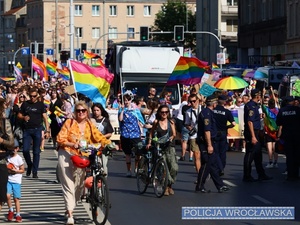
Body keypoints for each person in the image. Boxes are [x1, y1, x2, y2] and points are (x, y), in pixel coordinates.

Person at [56, 101, 111, 225]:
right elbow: (60, 139)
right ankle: (70, 214)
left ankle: (70, 206)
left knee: (79, 187)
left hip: (81, 156)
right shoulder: (69, 123)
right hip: (66, 154)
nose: (81, 113)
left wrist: (109, 144)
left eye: (83, 111)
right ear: (75, 112)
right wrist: (72, 144)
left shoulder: (89, 124)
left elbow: (99, 137)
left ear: (87, 112)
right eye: (78, 111)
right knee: (68, 185)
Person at [195, 95, 229, 193]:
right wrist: (209, 145)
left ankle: (220, 186)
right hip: (206, 142)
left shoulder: (208, 112)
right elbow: (207, 131)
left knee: (212, 165)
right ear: (214, 104)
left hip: (210, 141)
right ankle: (200, 186)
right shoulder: (207, 114)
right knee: (206, 164)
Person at [17, 88, 50, 178]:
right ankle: (29, 164)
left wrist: (47, 130)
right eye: (31, 96)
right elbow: (19, 114)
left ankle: (35, 171)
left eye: (34, 96)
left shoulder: (40, 105)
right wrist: (23, 117)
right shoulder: (25, 104)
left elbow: (45, 118)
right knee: (25, 150)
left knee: (36, 152)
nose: (32, 98)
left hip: (37, 129)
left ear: (37, 96)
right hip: (27, 130)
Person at [147, 105, 178, 196]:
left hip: (169, 146)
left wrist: (172, 137)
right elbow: (151, 133)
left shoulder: (171, 122)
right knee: (163, 169)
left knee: (174, 167)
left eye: (166, 112)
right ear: (159, 113)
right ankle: (165, 187)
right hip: (159, 147)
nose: (164, 114)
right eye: (162, 112)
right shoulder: (156, 122)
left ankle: (170, 185)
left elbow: (174, 134)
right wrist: (149, 142)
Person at [243, 89, 272, 182]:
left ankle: (261, 174)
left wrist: (259, 116)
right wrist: (253, 136)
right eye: (260, 95)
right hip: (252, 132)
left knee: (258, 154)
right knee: (250, 154)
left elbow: (253, 119)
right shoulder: (251, 106)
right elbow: (250, 122)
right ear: (257, 96)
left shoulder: (255, 105)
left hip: (256, 132)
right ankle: (247, 176)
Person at [118, 93, 145, 177]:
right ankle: (128, 170)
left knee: (138, 153)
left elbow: (141, 121)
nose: (126, 102)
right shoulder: (121, 110)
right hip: (125, 134)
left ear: (131, 100)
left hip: (135, 134)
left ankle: (136, 168)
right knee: (128, 153)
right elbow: (120, 119)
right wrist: (122, 110)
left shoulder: (135, 110)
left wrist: (142, 131)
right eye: (125, 100)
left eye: (128, 100)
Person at [276, 96, 300, 181]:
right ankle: (296, 174)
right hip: (297, 135)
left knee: (289, 156)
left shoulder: (282, 110)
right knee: (296, 155)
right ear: (292, 102)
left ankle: (290, 175)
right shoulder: (297, 110)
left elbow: (278, 122)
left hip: (287, 135)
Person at [213, 95, 236, 175]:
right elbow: (233, 124)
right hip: (223, 132)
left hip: (215, 132)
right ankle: (222, 166)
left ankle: (219, 167)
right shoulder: (227, 112)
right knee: (222, 152)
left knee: (216, 152)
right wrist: (227, 127)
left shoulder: (213, 110)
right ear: (225, 102)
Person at [0, 98, 14, 213]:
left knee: (0, 194)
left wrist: (1, 141)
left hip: (1, 160)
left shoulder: (5, 123)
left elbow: (11, 143)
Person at [6, 141, 24, 222]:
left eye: (15, 148)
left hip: (16, 180)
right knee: (7, 196)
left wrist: (15, 170)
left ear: (17, 149)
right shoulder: (7, 157)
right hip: (8, 179)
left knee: (16, 199)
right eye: (11, 148)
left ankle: (18, 214)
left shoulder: (19, 159)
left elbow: (22, 170)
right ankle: (11, 210)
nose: (13, 150)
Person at [184, 94, 202, 174]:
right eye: (190, 101)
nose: (192, 103)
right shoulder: (188, 112)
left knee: (204, 156)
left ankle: (204, 171)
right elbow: (186, 123)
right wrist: (189, 127)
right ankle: (199, 175)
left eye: (194, 101)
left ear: (198, 100)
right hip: (194, 136)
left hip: (204, 134)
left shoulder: (203, 109)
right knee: (196, 155)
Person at [262, 98, 279, 168]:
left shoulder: (267, 110)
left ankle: (270, 161)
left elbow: (262, 104)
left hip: (268, 131)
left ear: (268, 104)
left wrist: (263, 94)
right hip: (276, 131)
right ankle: (275, 162)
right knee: (275, 147)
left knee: (269, 147)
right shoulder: (277, 110)